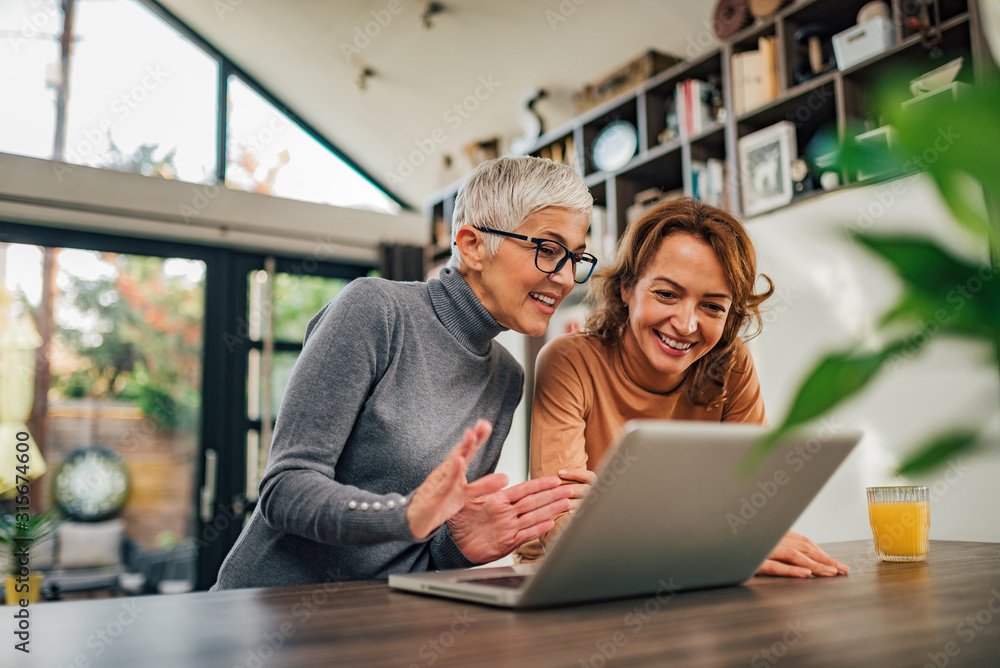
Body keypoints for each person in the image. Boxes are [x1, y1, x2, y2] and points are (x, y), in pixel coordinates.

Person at [213, 156, 599, 589]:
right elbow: (285, 489)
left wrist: (461, 543)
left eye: (577, 258)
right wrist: (405, 515)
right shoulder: (375, 310)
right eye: (548, 251)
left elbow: (425, 550)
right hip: (267, 613)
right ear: (472, 245)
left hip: (383, 619)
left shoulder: (506, 377)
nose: (567, 278)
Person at [516, 198, 850, 578]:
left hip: (694, 571)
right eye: (667, 295)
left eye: (712, 307)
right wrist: (719, 539)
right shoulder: (569, 361)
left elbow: (756, 504)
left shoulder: (731, 363)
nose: (687, 324)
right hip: (567, 579)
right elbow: (560, 526)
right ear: (627, 287)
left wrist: (740, 538)